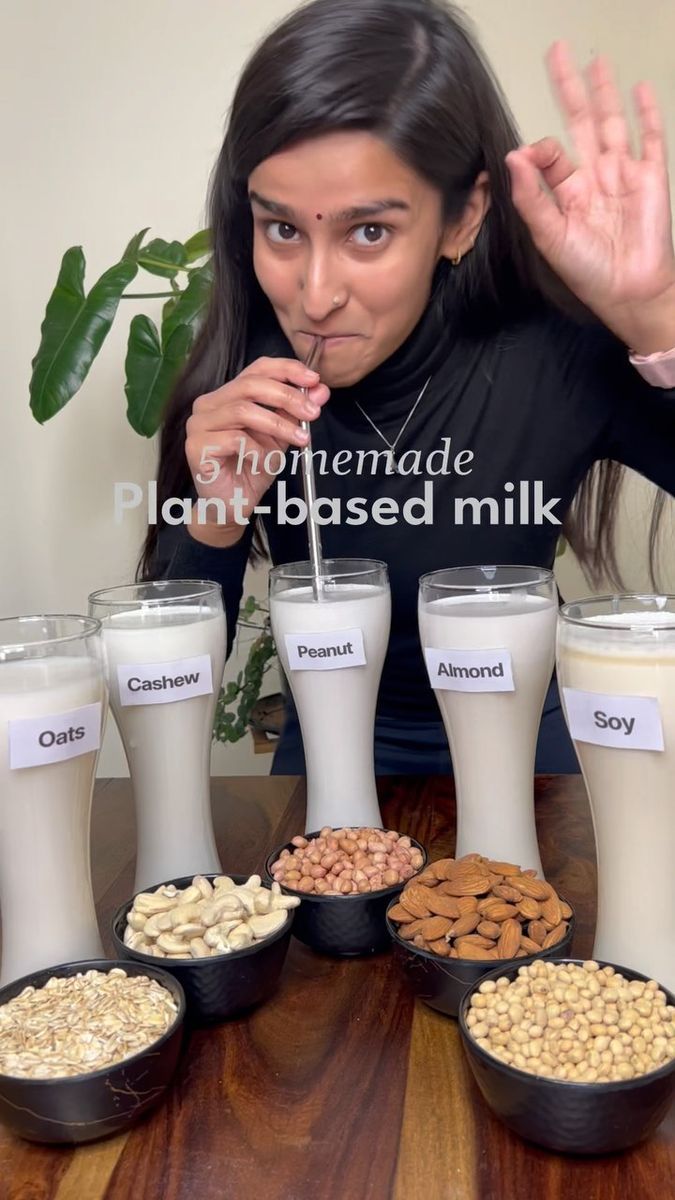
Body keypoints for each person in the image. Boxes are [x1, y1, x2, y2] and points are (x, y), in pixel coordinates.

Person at [141, 0, 675, 776]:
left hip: (536, 748)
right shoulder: (247, 373)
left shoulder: (559, 349)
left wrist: (656, 324)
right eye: (282, 229)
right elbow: (166, 678)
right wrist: (217, 514)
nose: (315, 294)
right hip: (327, 750)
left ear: (463, 219)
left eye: (368, 232)